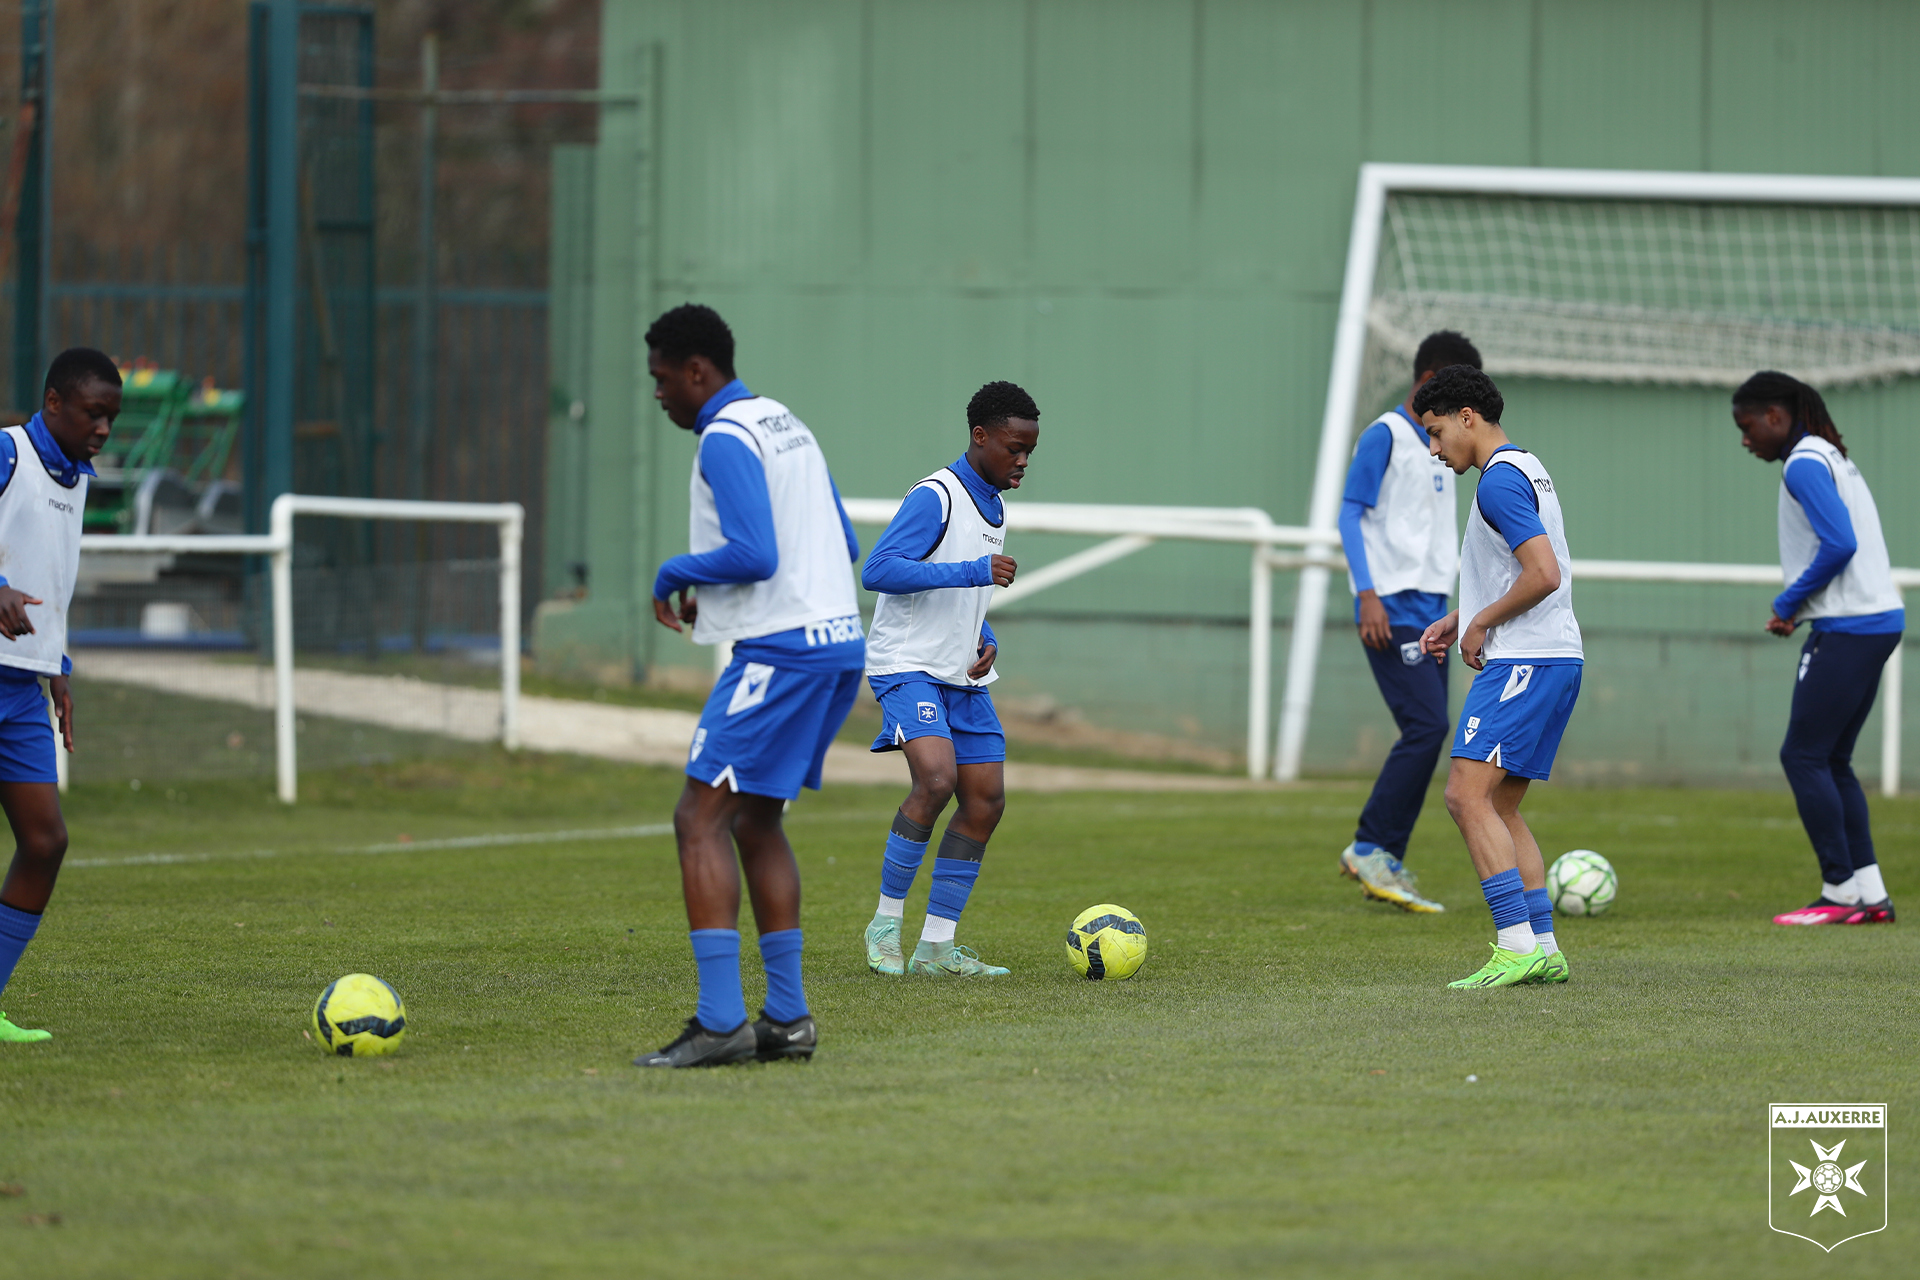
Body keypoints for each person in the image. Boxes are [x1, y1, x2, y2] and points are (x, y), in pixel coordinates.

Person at [636, 304, 866, 1067]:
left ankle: (720, 1022)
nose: (660, 394)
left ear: (697, 371)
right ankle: (789, 1020)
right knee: (757, 822)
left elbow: (758, 551)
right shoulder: (783, 422)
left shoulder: (725, 436)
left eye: (663, 379)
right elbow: (843, 538)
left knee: (697, 817)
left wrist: (678, 572)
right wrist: (725, 591)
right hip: (837, 645)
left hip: (783, 656)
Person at [860, 381, 1038, 977]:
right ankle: (885, 924)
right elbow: (879, 569)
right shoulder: (937, 495)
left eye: (1030, 450)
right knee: (937, 780)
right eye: (1014, 448)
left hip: (962, 675)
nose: (1022, 461)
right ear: (980, 436)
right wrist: (972, 570)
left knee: (985, 801)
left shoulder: (997, 508)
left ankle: (937, 947)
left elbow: (968, 599)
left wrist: (985, 639)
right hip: (907, 665)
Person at [1416, 366, 1582, 989]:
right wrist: (1462, 614)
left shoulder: (1497, 484)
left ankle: (1513, 946)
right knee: (1501, 805)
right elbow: (1531, 567)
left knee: (1464, 795)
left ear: (1467, 417)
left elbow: (1543, 573)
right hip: (1555, 656)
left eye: (1436, 433)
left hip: (1525, 660)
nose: (1435, 449)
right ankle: (1543, 947)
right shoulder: (1525, 467)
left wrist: (1480, 624)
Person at [1732, 372, 1900, 926]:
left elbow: (1841, 543)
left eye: (1748, 425)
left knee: (1802, 756)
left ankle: (1840, 891)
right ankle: (1869, 894)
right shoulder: (1826, 453)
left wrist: (1788, 602)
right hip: (1875, 620)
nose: (1745, 439)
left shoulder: (1805, 461)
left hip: (1852, 626)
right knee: (1832, 759)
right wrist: (1802, 609)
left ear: (1776, 417)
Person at [1335, 331, 1483, 914]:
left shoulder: (1440, 445)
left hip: (1429, 613)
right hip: (1390, 609)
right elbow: (1351, 514)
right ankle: (1371, 847)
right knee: (1426, 727)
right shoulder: (1386, 435)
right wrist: (1367, 594)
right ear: (1427, 382)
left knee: (1428, 730)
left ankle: (1383, 856)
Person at [0, 348, 120, 1044]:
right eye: (92, 412)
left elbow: (51, 577)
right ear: (53, 404)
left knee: (44, 842)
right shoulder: (9, 454)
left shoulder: (75, 476)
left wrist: (58, 667)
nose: (103, 427)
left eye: (111, 416)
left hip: (20, 689)